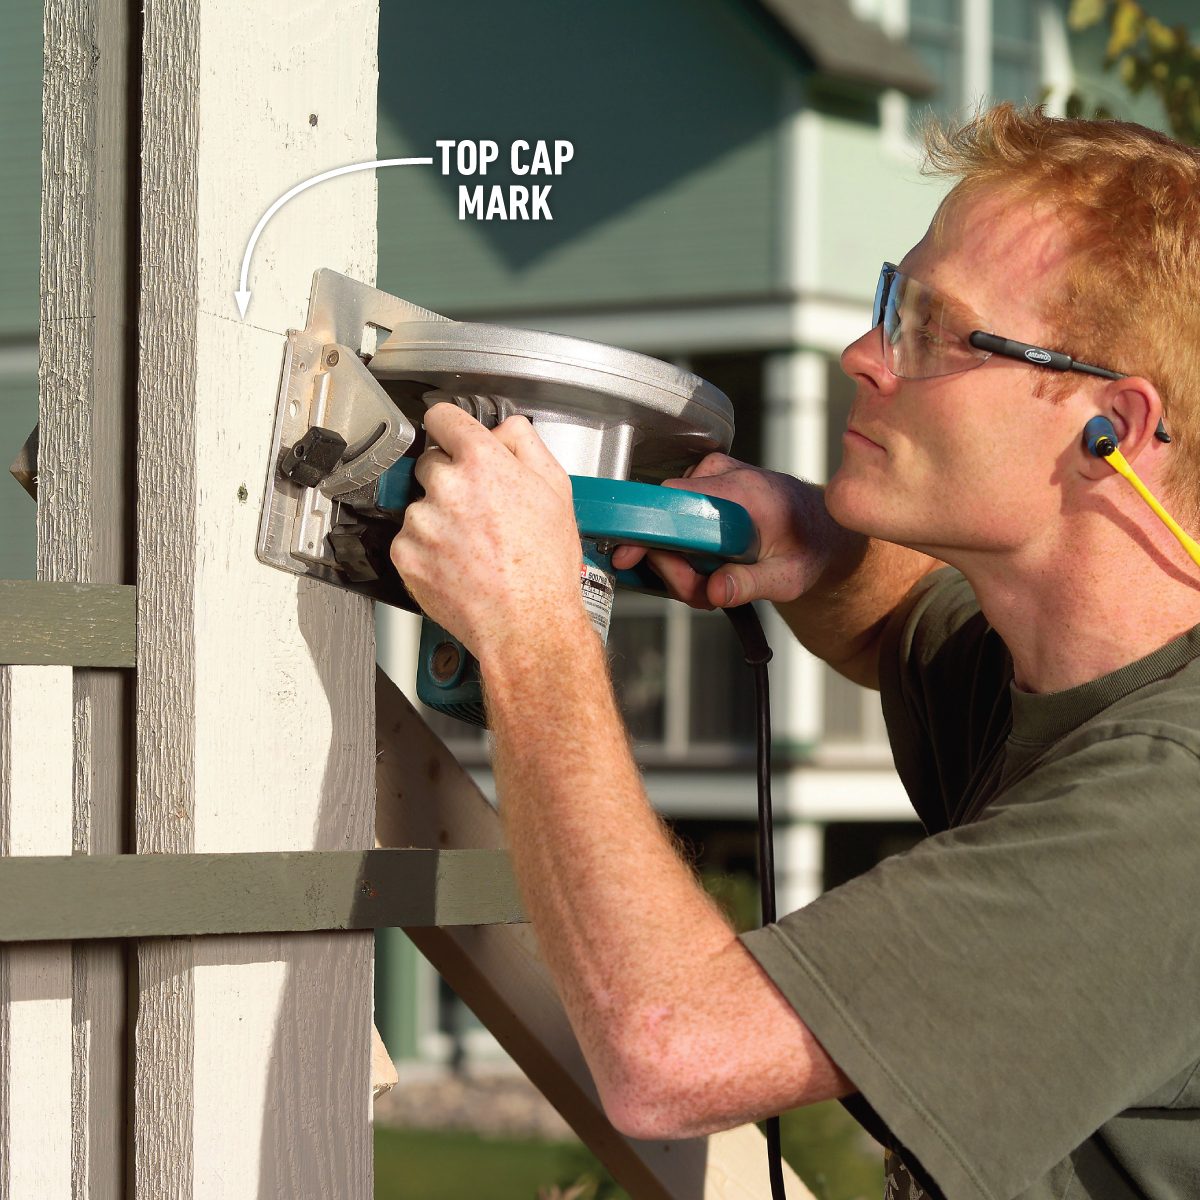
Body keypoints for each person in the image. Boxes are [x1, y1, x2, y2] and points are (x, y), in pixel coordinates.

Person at [390, 104, 1200, 1199]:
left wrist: (530, 626)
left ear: (1116, 426)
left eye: (932, 329)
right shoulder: (1066, 672)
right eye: (887, 306)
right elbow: (899, 623)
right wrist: (817, 546)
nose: (864, 356)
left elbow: (672, 1052)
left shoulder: (1169, 804)